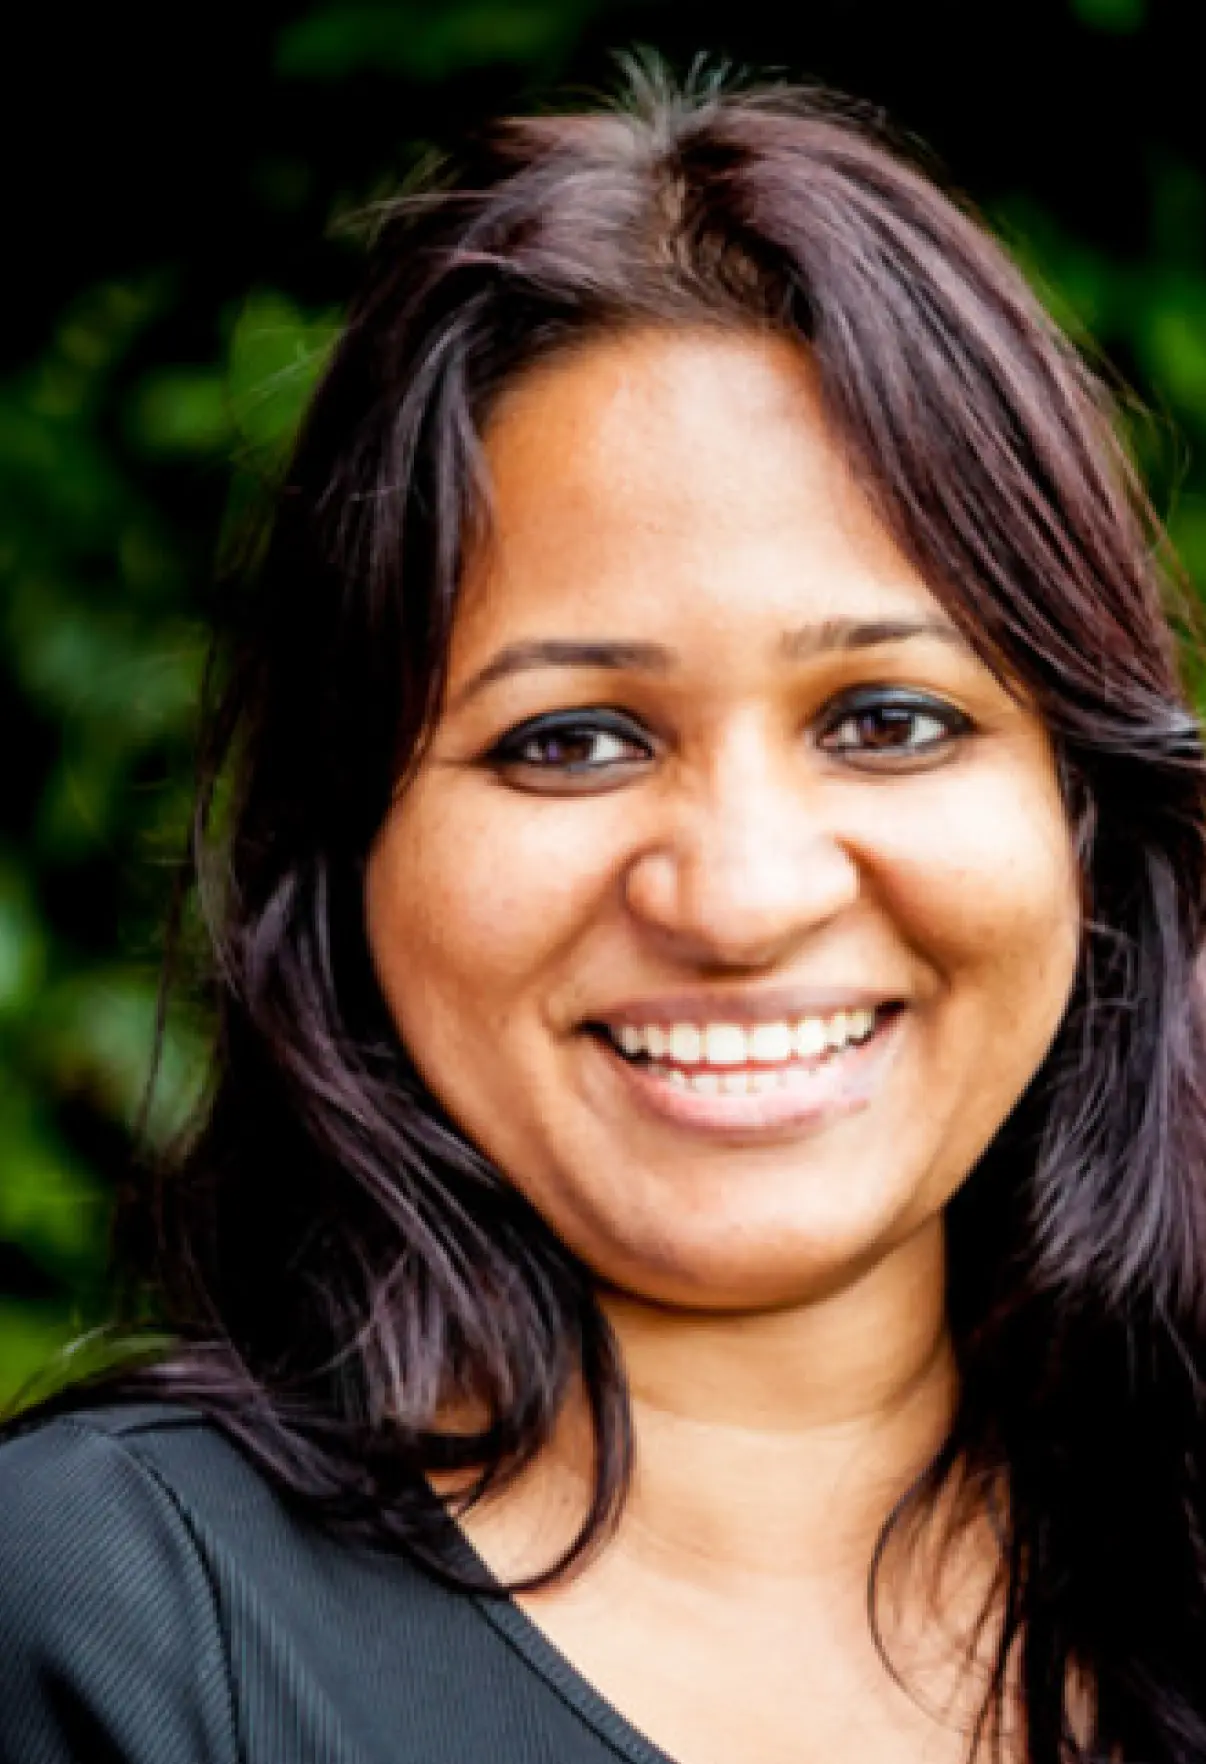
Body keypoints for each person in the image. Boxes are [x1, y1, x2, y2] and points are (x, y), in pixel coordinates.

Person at [3, 58, 1206, 1764]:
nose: (739, 896)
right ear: (352, 843)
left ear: (1082, 809)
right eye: (569, 741)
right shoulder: (115, 1627)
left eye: (886, 719)